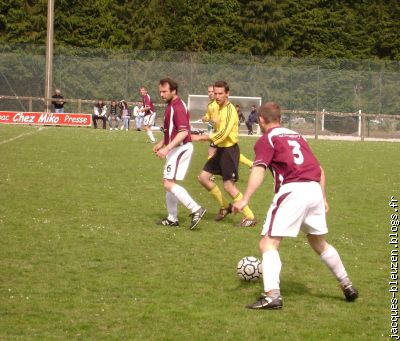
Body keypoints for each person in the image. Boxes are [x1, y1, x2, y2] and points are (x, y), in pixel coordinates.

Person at [232, 102, 358, 310]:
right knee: (319, 242)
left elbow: (259, 169)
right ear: (280, 118)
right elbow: (319, 169)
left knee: (268, 244)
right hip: (314, 189)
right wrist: (323, 197)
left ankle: (272, 295)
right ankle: (347, 285)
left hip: (293, 191)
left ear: (261, 120)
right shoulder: (298, 136)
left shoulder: (267, 139)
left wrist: (245, 199)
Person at [192, 81, 256, 227]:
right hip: (220, 149)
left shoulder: (230, 110)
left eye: (221, 93)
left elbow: (223, 133)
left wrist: (201, 137)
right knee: (203, 178)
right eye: (215, 93)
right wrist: (207, 119)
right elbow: (211, 117)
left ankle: (250, 216)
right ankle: (225, 206)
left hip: (229, 150)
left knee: (228, 186)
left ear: (227, 93)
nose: (217, 96)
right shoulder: (213, 105)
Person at [153, 77, 206, 230]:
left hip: (181, 148)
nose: (162, 95)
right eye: (160, 92)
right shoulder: (171, 105)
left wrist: (166, 148)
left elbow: (183, 132)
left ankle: (195, 208)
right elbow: (172, 129)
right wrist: (162, 143)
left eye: (164, 91)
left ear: (173, 91)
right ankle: (172, 218)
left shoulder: (178, 106)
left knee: (168, 183)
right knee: (170, 183)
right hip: (175, 148)